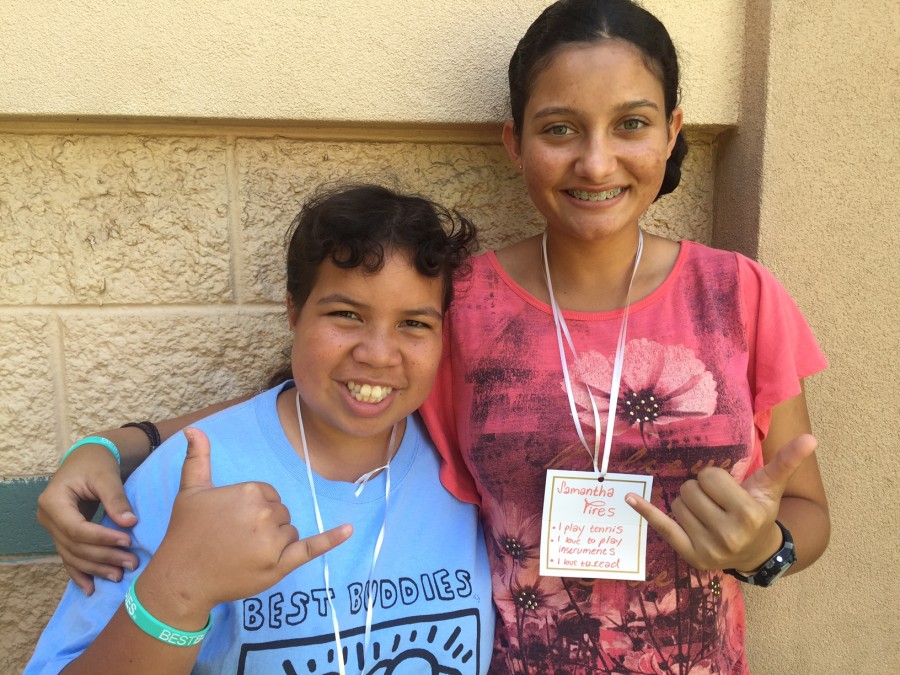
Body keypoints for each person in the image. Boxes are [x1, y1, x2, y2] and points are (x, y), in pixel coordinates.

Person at [37, 1, 830, 672]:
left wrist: (765, 549)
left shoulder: (740, 295)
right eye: (560, 128)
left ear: (672, 131)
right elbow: (340, 390)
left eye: (631, 124)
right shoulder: (468, 301)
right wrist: (124, 442)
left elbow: (807, 509)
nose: (596, 162)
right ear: (515, 142)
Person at [27, 184, 494, 674]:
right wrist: (180, 589)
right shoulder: (189, 479)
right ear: (293, 310)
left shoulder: (469, 456)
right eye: (346, 315)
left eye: (414, 323)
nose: (378, 354)